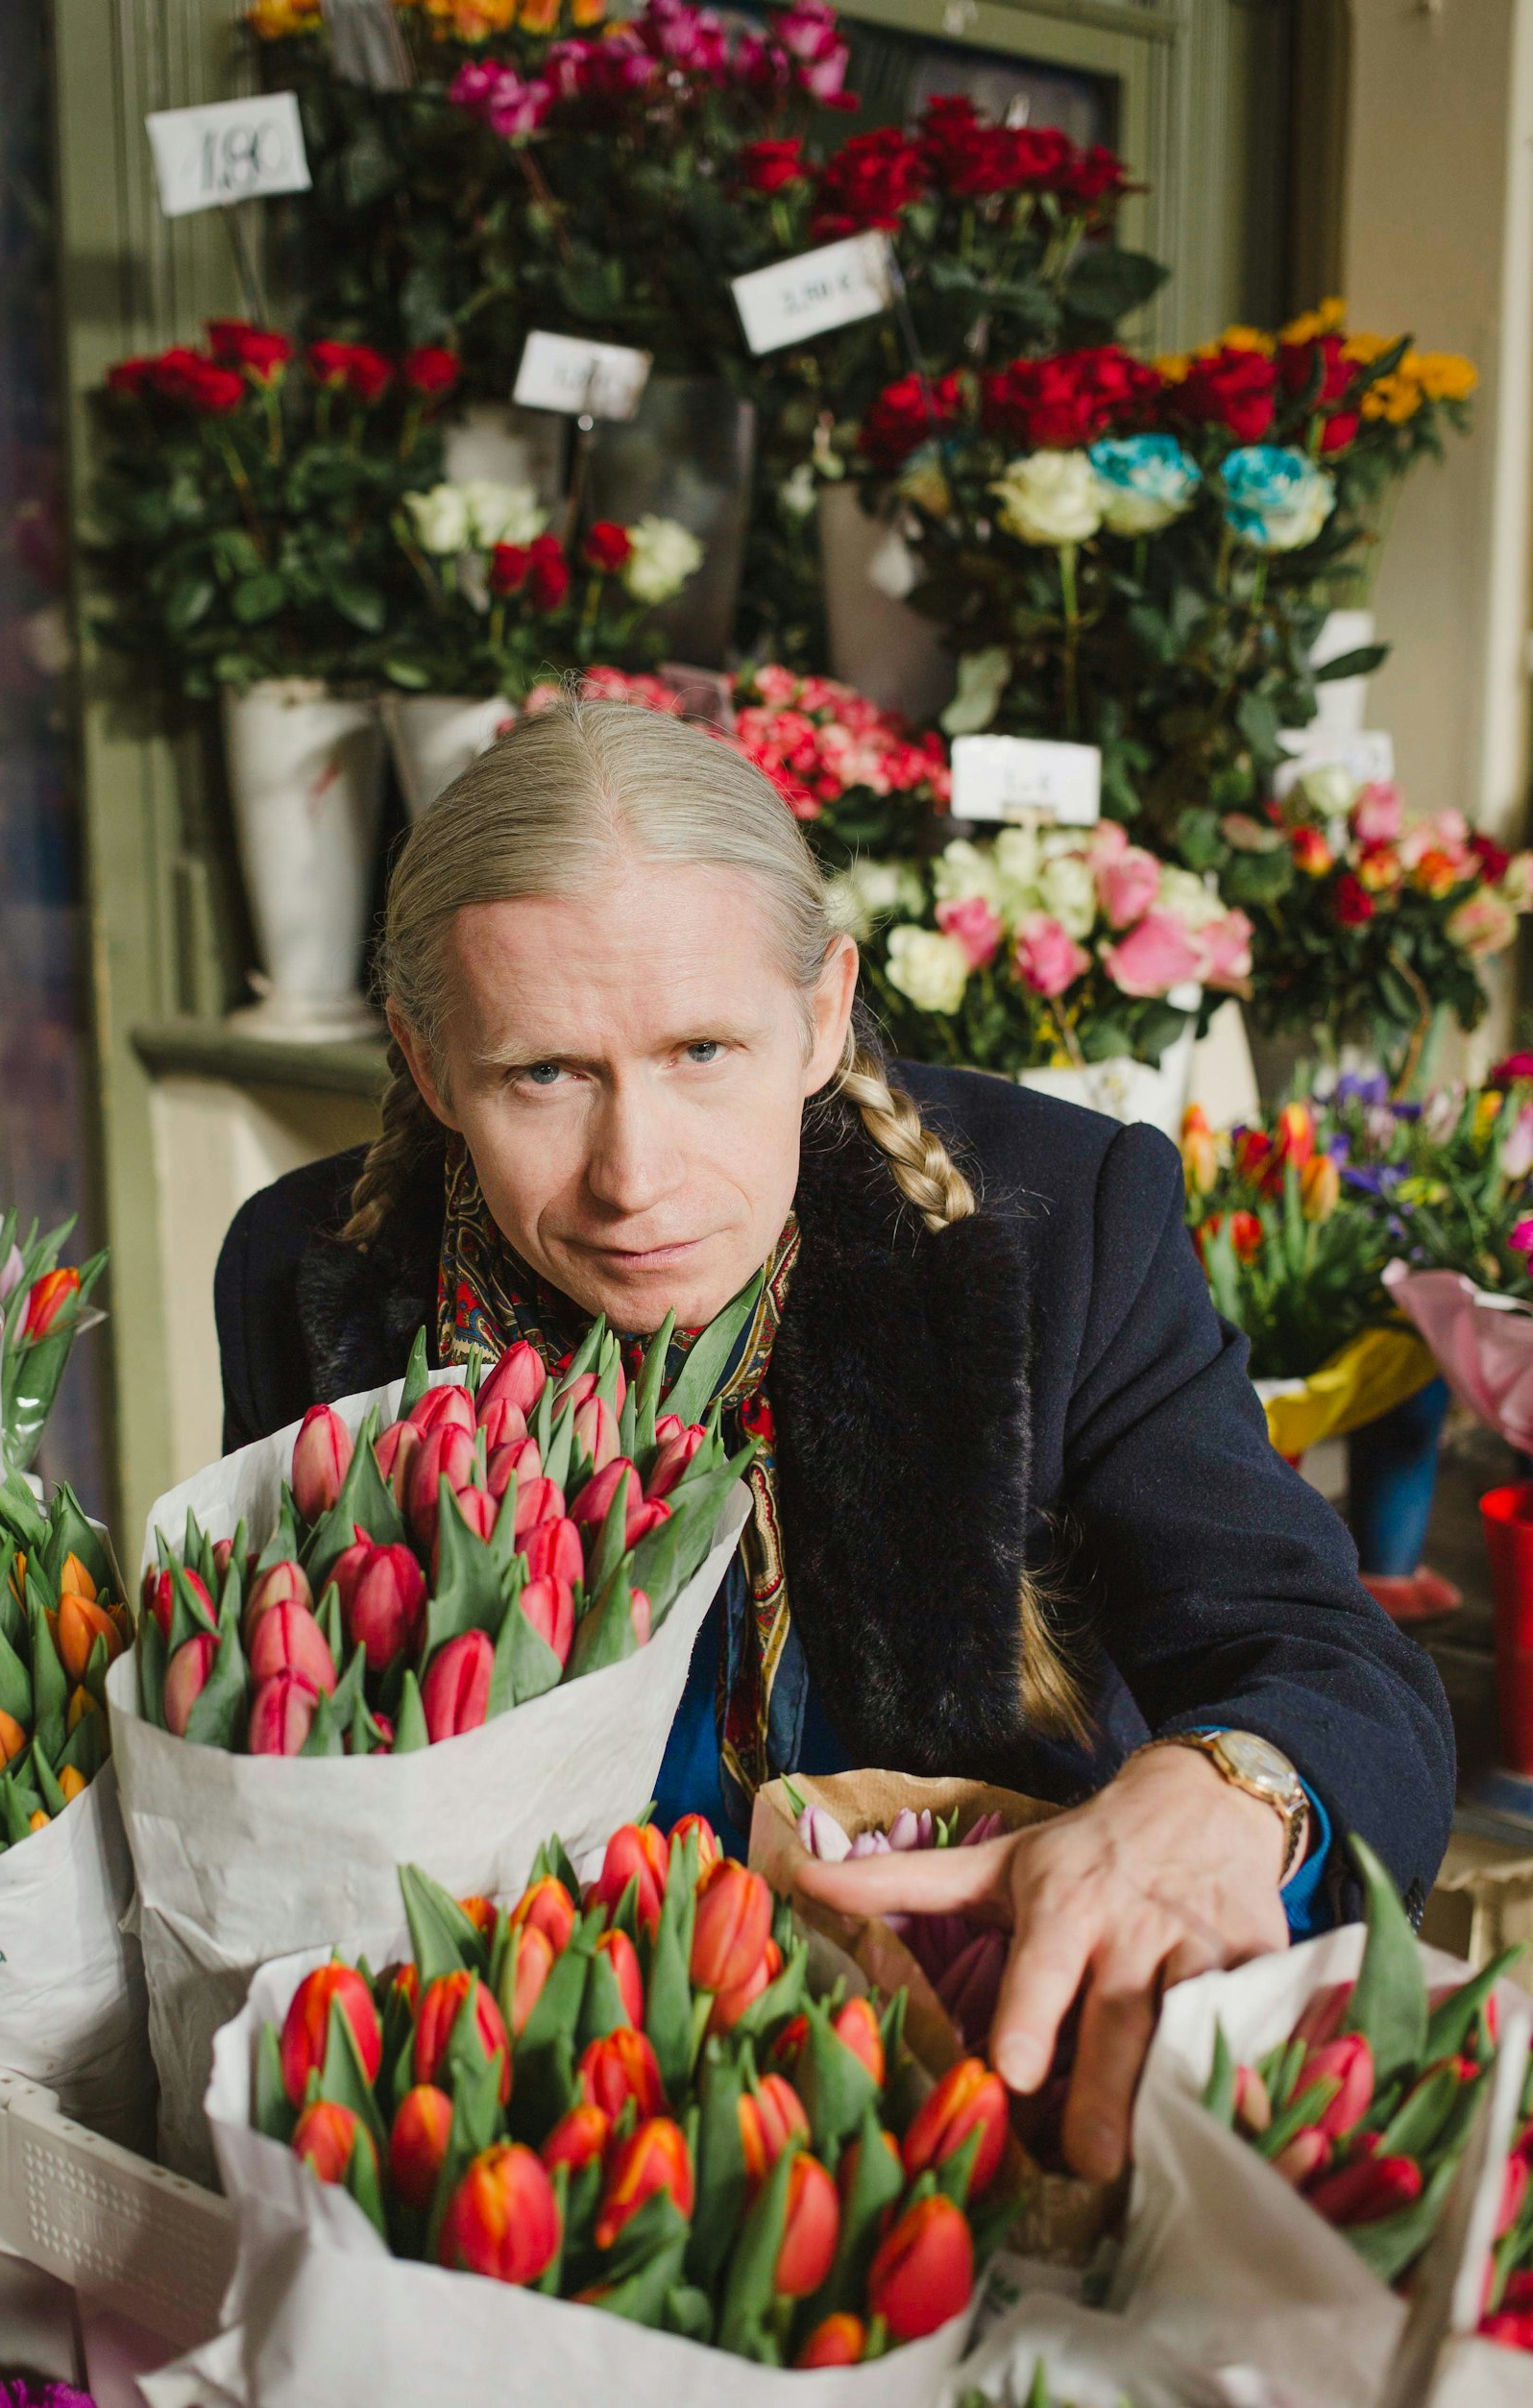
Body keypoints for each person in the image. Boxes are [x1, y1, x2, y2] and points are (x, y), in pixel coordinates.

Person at [215, 696, 1454, 2186]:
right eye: (545, 1074)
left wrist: (1232, 1792)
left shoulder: (1067, 1221)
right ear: (428, 1063)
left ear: (820, 1014)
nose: (635, 1178)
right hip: (514, 2120)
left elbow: (1329, 1661)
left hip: (974, 2107)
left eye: (703, 1050)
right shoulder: (305, 1271)